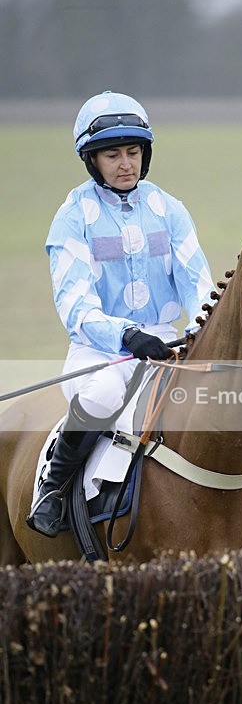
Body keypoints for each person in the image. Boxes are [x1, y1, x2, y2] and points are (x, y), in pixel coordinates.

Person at [27, 90, 215, 537]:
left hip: (167, 345)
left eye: (133, 152)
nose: (125, 163)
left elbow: (201, 286)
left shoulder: (170, 210)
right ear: (92, 160)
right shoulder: (72, 218)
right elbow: (75, 307)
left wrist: (196, 335)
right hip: (101, 352)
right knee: (106, 395)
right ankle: (52, 489)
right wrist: (127, 336)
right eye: (113, 154)